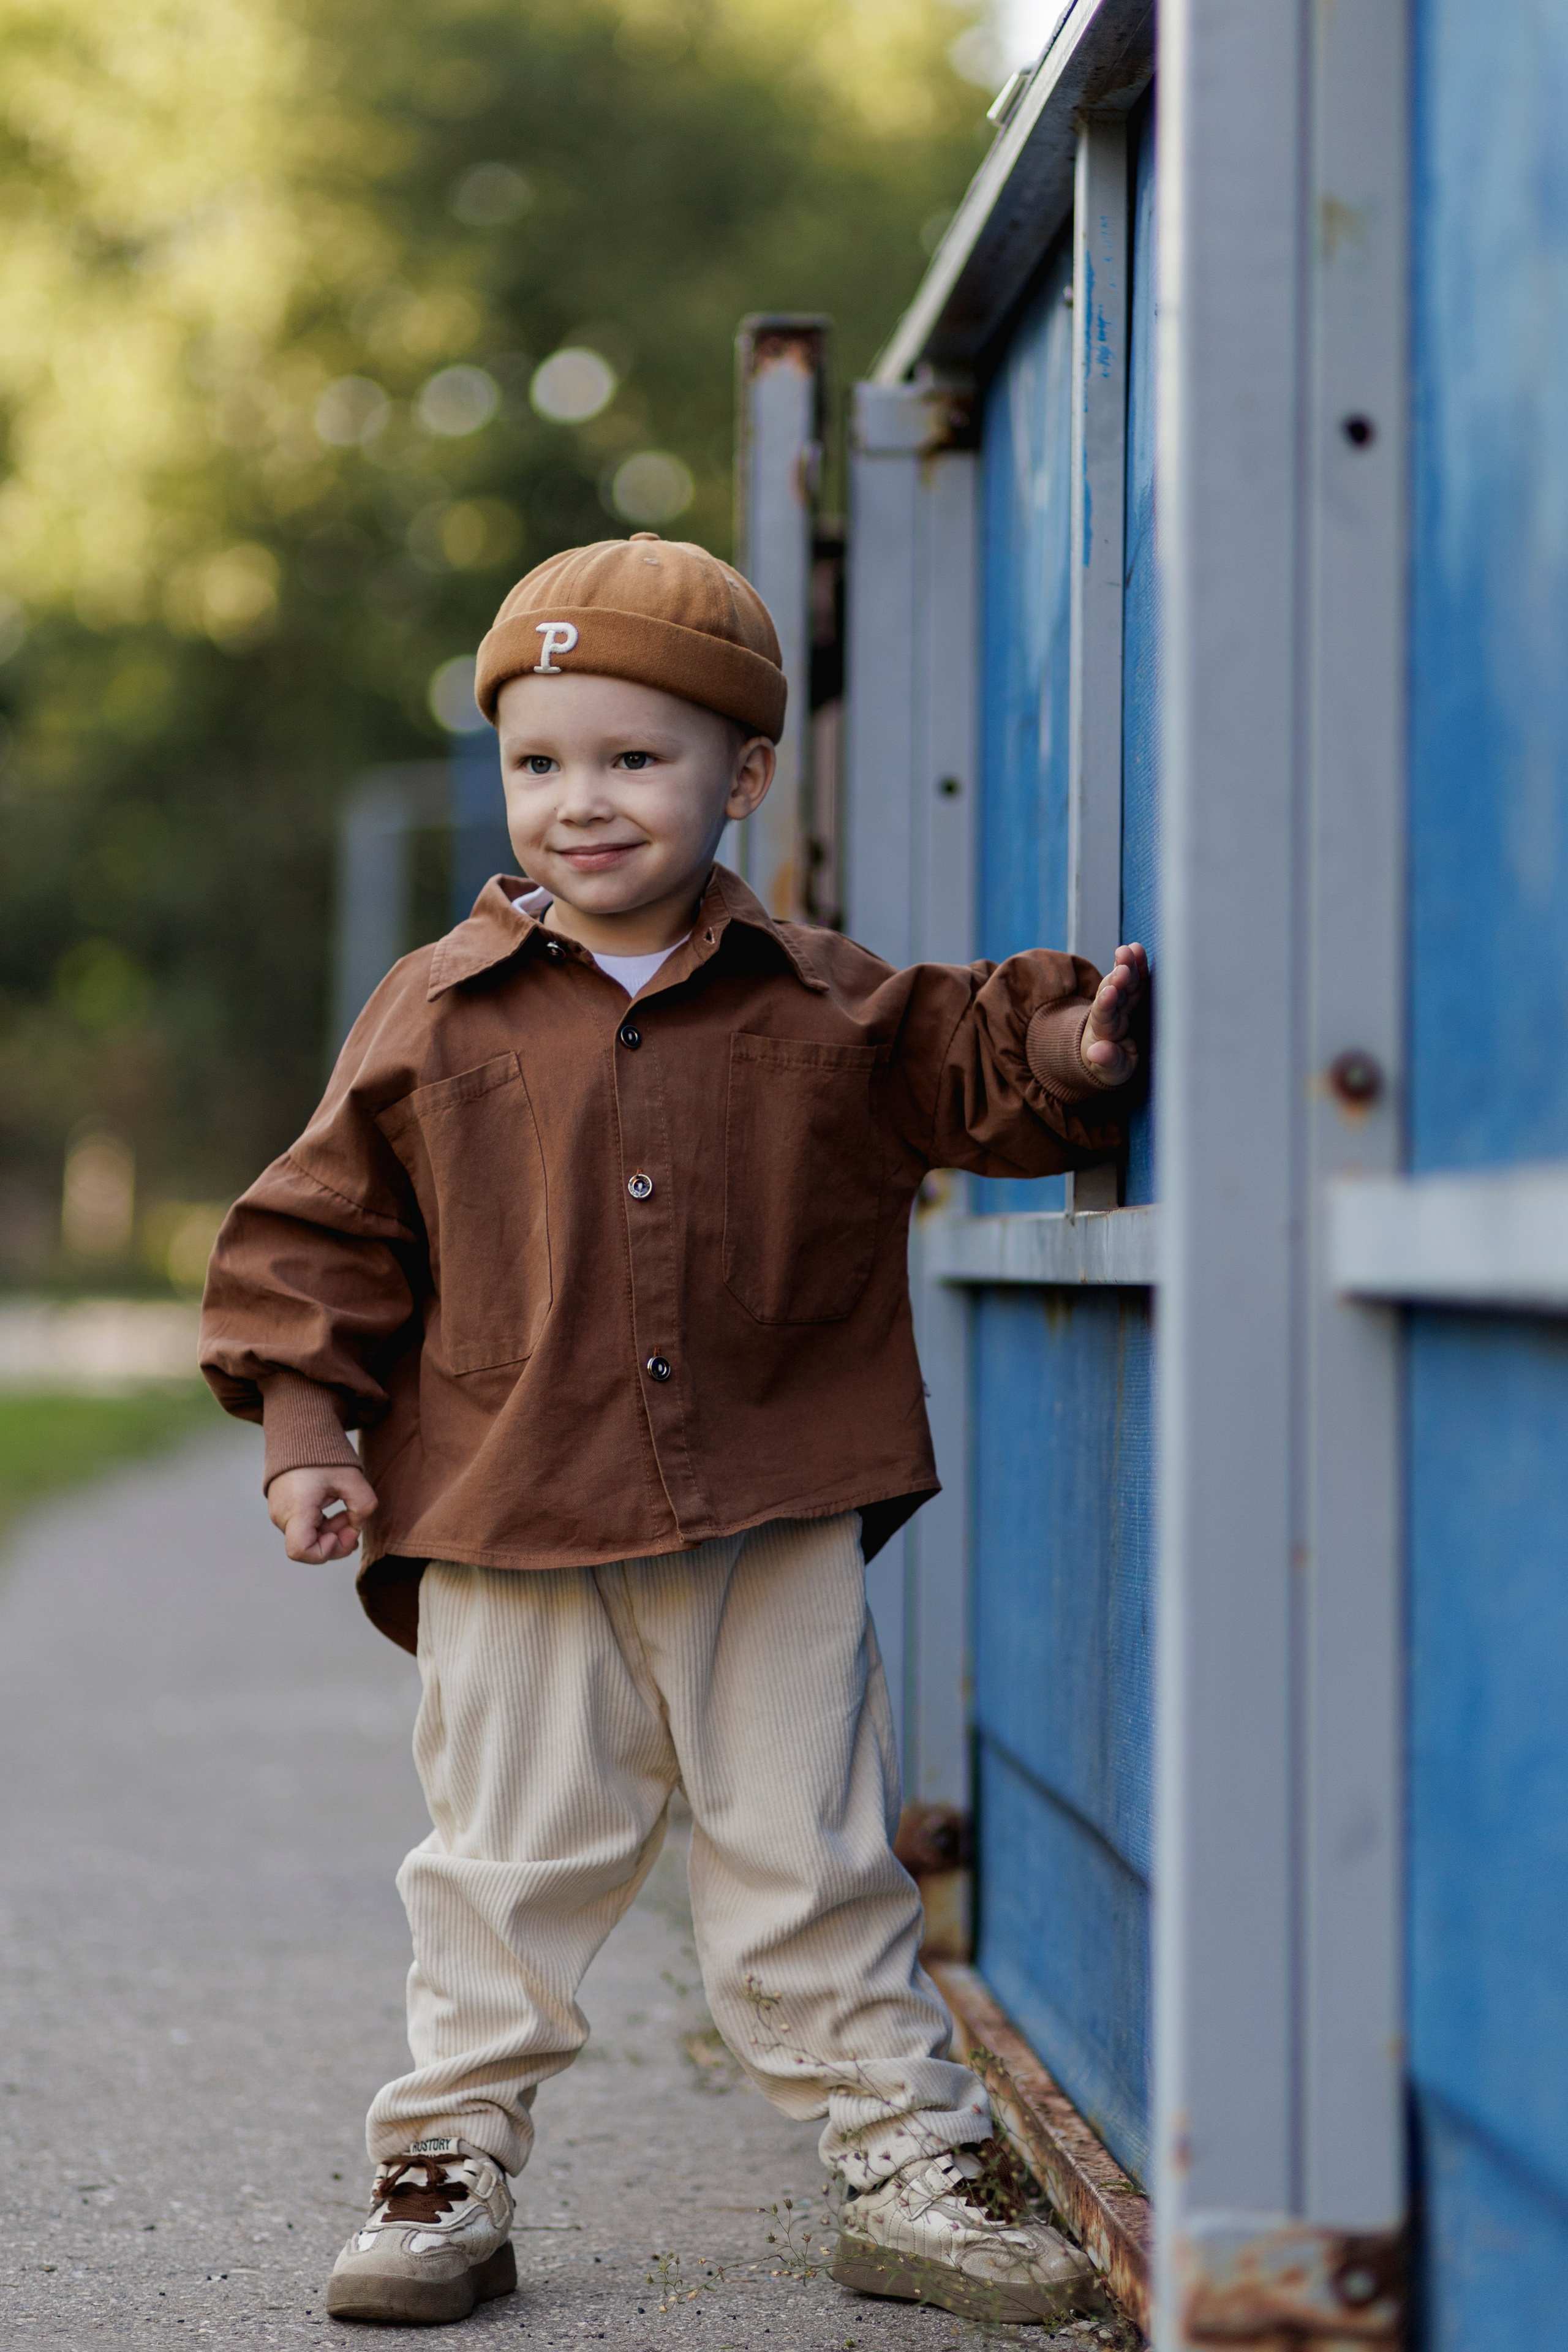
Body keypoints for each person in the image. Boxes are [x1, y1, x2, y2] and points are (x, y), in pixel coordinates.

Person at [200, 533, 1148, 2329]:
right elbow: (315, 1231)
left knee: (811, 1850)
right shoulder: (432, 1007)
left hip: (770, 1509)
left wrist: (1078, 1059)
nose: (582, 802)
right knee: (502, 1863)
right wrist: (307, 1429)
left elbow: (965, 1064)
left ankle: (902, 2153)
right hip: (507, 1508)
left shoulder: (822, 993)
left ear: (745, 774)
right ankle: (444, 2164)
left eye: (635, 759)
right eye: (540, 761)